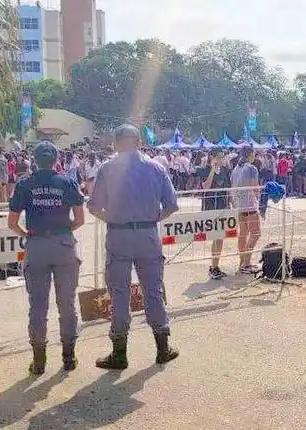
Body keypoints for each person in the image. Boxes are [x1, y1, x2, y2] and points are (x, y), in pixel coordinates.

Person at [88, 124, 180, 370]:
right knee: (153, 291)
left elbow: (94, 207)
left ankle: (119, 353)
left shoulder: (107, 169)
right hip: (148, 235)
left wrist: (115, 220)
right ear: (139, 143)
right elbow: (171, 205)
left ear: (116, 143)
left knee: (119, 293)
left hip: (118, 236)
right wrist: (150, 220)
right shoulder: (156, 168)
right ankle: (162, 349)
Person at [8, 142, 85, 375]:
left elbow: (12, 223)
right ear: (56, 160)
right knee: (67, 303)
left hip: (37, 247)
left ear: (34, 160)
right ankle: (69, 356)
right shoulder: (67, 182)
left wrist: (26, 234)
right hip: (64, 246)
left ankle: (39, 360)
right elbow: (80, 219)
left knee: (38, 306)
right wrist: (64, 229)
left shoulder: (25, 185)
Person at [199, 148, 231, 280]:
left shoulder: (225, 170)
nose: (221, 159)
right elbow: (205, 186)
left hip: (223, 206)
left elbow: (228, 189)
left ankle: (215, 266)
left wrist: (231, 205)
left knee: (221, 237)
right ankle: (213, 267)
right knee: (215, 236)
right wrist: (212, 169)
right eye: (218, 157)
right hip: (211, 206)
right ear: (212, 157)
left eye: (222, 157)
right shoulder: (204, 170)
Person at [230, 146, 262, 273]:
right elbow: (255, 187)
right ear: (250, 154)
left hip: (239, 205)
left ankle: (242, 261)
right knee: (255, 233)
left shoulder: (235, 169)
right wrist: (261, 201)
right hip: (250, 204)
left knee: (243, 234)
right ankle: (246, 262)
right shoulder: (252, 168)